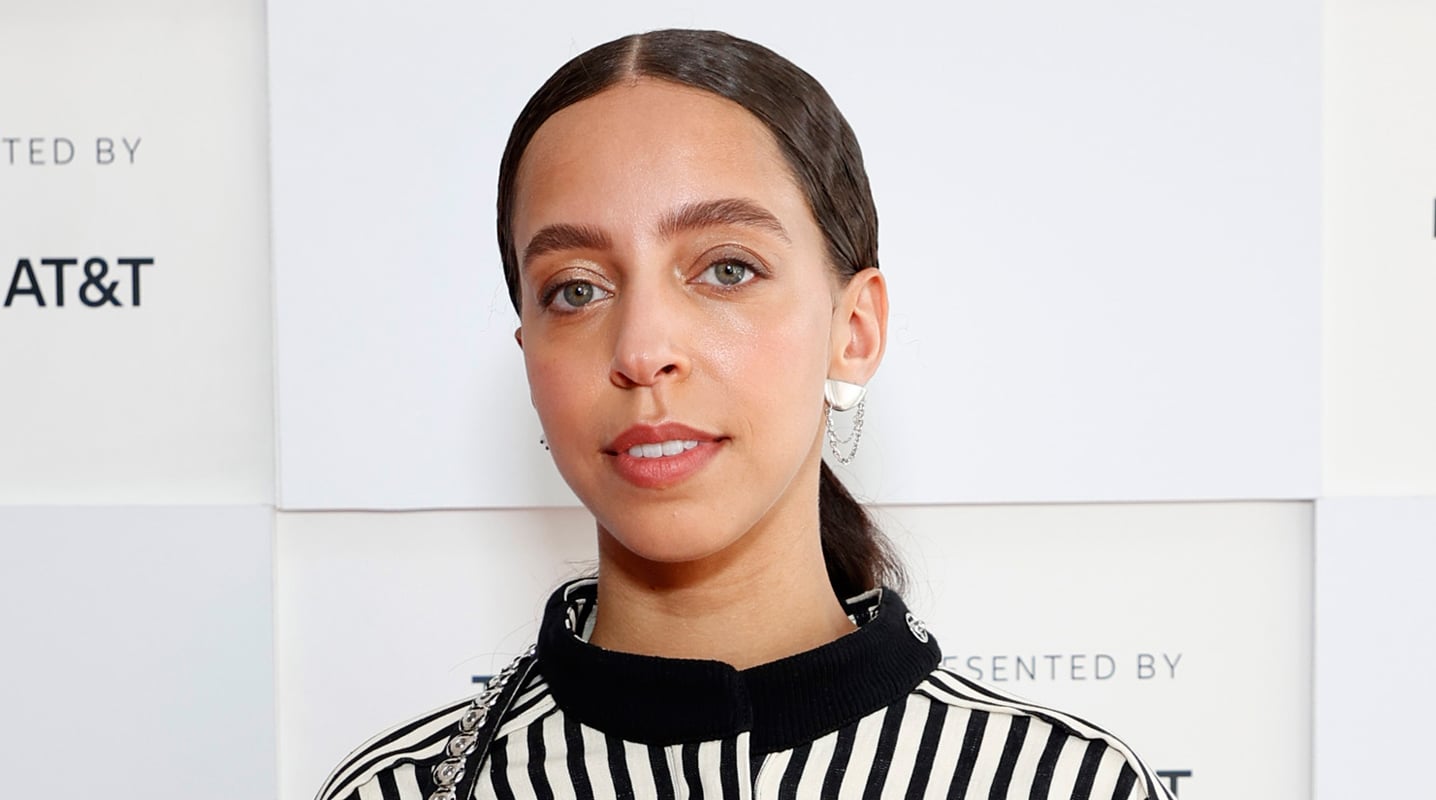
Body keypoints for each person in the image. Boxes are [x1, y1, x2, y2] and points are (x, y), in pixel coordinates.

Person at [316, 29, 1175, 800]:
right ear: (530, 358)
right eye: (576, 290)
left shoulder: (1070, 786)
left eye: (726, 269)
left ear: (854, 330)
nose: (642, 349)